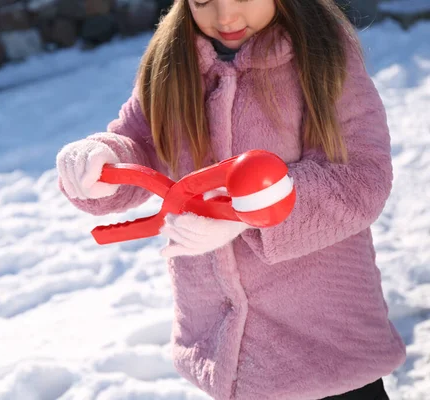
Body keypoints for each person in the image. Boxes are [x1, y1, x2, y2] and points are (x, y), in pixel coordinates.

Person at [55, 0, 407, 398]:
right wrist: (104, 162)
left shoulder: (321, 53)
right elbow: (139, 142)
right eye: (203, 0)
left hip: (324, 347)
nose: (225, 17)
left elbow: (361, 177)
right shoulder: (175, 58)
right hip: (230, 358)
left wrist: (248, 214)